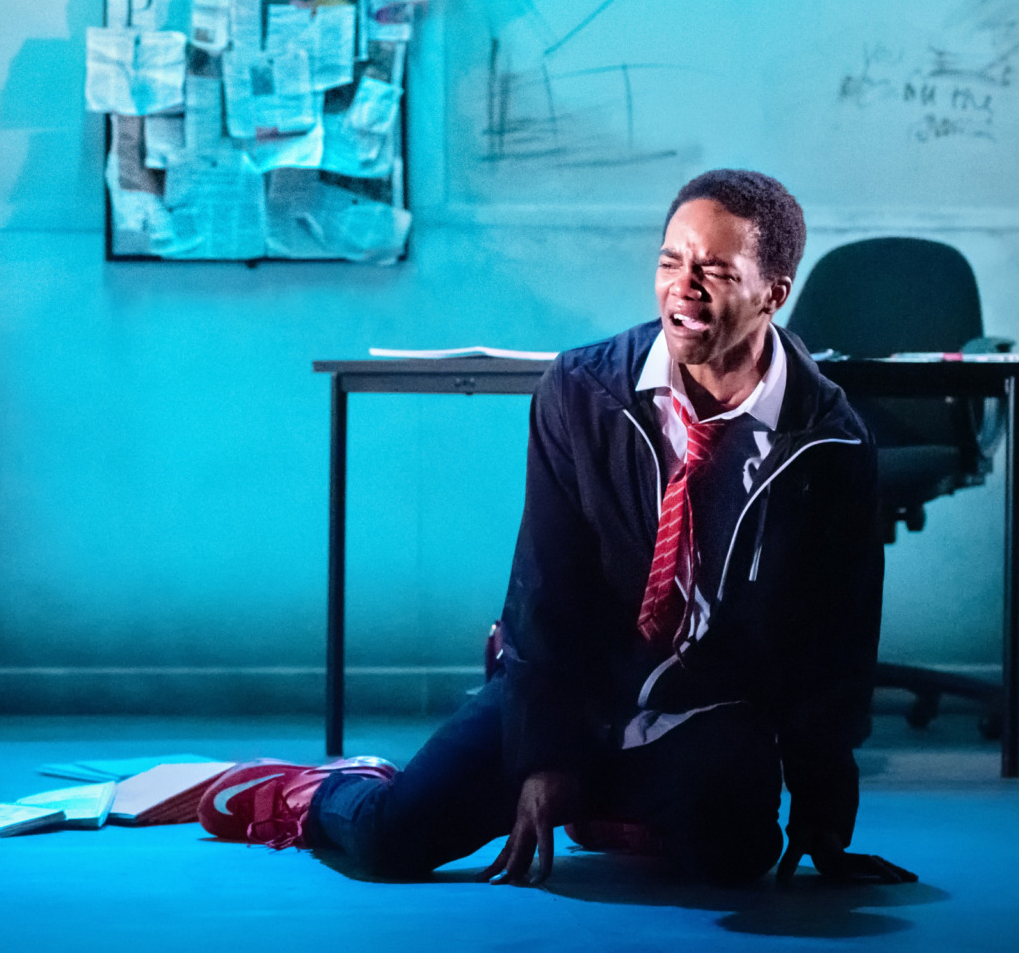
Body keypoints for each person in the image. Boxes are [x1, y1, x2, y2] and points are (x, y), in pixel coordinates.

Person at [200, 170, 917, 886]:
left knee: (735, 856)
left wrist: (825, 816)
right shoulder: (584, 390)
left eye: (717, 271)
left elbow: (836, 640)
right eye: (671, 262)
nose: (683, 286)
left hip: (702, 709)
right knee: (390, 843)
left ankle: (611, 804)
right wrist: (547, 759)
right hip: (575, 683)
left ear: (774, 292)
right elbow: (546, 590)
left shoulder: (832, 442)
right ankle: (324, 789)